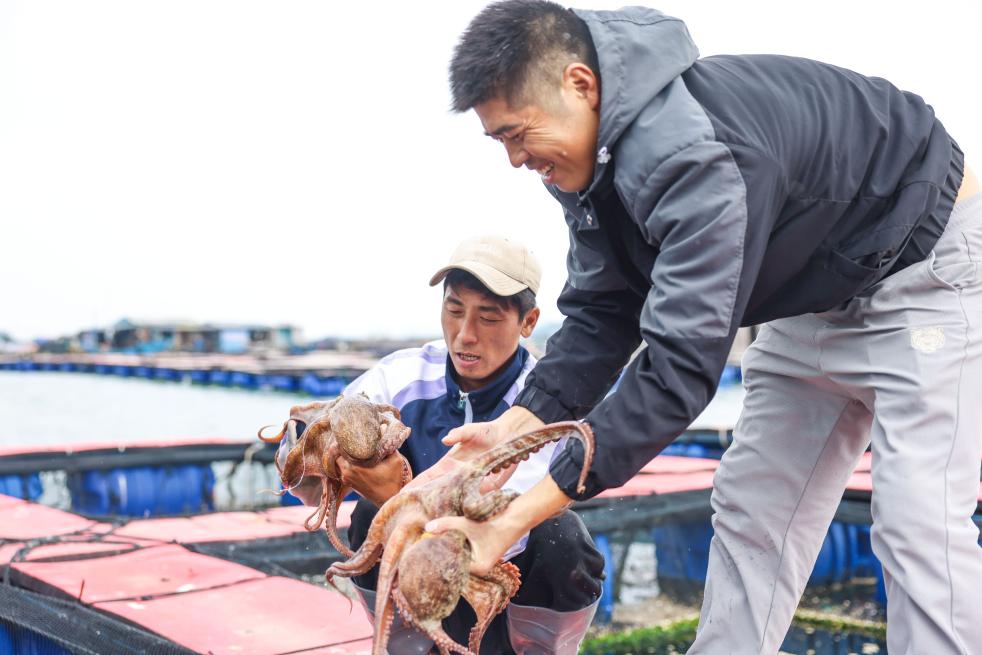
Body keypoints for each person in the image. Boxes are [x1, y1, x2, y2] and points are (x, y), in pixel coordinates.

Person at [425, 2, 982, 653]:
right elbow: (605, 311)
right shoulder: (582, 159)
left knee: (918, 521)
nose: (516, 159)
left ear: (580, 84)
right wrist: (512, 430)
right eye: (500, 141)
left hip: (925, 267)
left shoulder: (692, 155)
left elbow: (678, 369)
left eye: (518, 134)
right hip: (812, 289)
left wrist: (513, 518)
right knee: (752, 508)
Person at [281, 235, 604, 654]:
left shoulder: (547, 404)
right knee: (367, 516)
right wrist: (305, 449)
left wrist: (395, 496)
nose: (465, 335)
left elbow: (507, 531)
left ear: (528, 322)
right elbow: (305, 473)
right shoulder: (400, 376)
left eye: (488, 318)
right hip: (410, 590)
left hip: (502, 587)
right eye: (453, 310)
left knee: (562, 536)